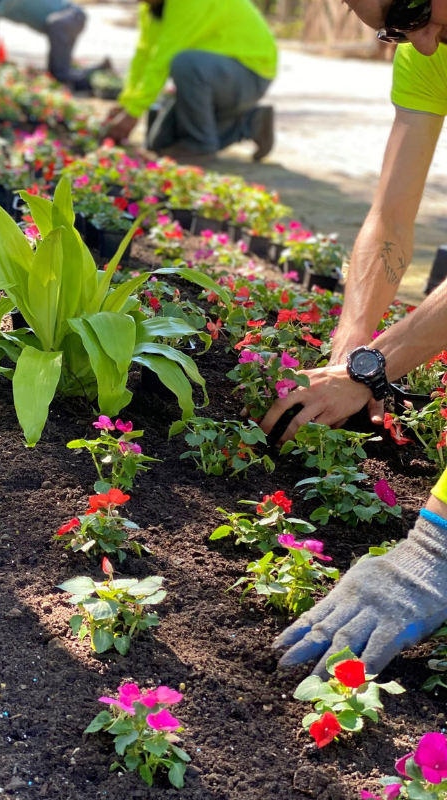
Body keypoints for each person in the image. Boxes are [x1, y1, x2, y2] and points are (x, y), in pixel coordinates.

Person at [262, 0, 447, 678]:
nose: (423, 43)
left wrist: (431, 555)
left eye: (415, 8)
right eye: (397, 29)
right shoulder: (432, 46)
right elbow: (392, 216)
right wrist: (351, 347)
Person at [105, 0, 277, 160]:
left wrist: (133, 113)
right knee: (160, 143)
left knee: (184, 62)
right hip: (214, 74)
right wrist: (126, 103)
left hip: (249, 72)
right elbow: (144, 56)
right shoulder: (150, 8)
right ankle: (250, 123)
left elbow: (163, 59)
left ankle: (201, 145)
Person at [0, 0, 105, 90]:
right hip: (62, 23)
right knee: (55, 74)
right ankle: (99, 69)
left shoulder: (0, 4)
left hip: (70, 17)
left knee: (60, 74)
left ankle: (95, 74)